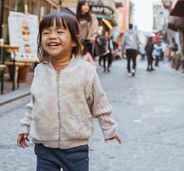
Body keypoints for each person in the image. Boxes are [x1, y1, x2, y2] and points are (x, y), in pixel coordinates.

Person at [17, 12, 121, 171]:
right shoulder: (40, 70)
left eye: (59, 32)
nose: (52, 36)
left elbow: (99, 103)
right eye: (46, 33)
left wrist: (109, 129)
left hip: (76, 149)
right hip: (44, 147)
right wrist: (25, 128)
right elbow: (34, 103)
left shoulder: (86, 71)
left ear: (74, 40)